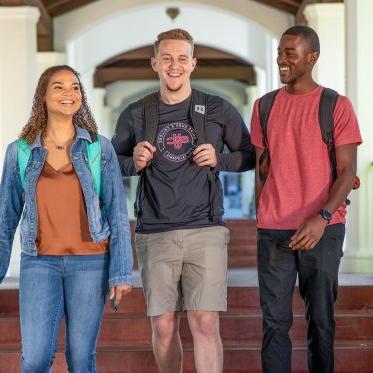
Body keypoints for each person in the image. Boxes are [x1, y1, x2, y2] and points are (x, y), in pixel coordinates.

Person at [112, 29, 255, 373]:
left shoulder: (218, 108)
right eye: (166, 58)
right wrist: (134, 161)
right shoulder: (136, 113)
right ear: (154, 63)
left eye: (181, 58)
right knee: (163, 327)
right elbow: (109, 164)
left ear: (193, 63)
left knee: (205, 323)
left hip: (205, 230)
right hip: (155, 232)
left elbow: (250, 155)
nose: (174, 66)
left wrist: (220, 159)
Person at [0, 65, 134, 372]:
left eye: (74, 87)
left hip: (91, 263)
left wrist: (121, 272)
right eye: (58, 87)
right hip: (39, 263)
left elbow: (116, 210)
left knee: (80, 358)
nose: (68, 93)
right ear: (43, 96)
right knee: (33, 359)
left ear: (81, 97)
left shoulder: (100, 148)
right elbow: (5, 219)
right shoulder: (19, 151)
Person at [250, 25, 362, 373]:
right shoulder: (264, 106)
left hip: (323, 229)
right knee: (274, 325)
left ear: (312, 58)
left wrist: (322, 217)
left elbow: (346, 172)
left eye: (290, 53)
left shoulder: (336, 105)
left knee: (321, 321)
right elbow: (262, 169)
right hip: (274, 231)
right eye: (280, 52)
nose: (282, 59)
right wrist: (266, 213)